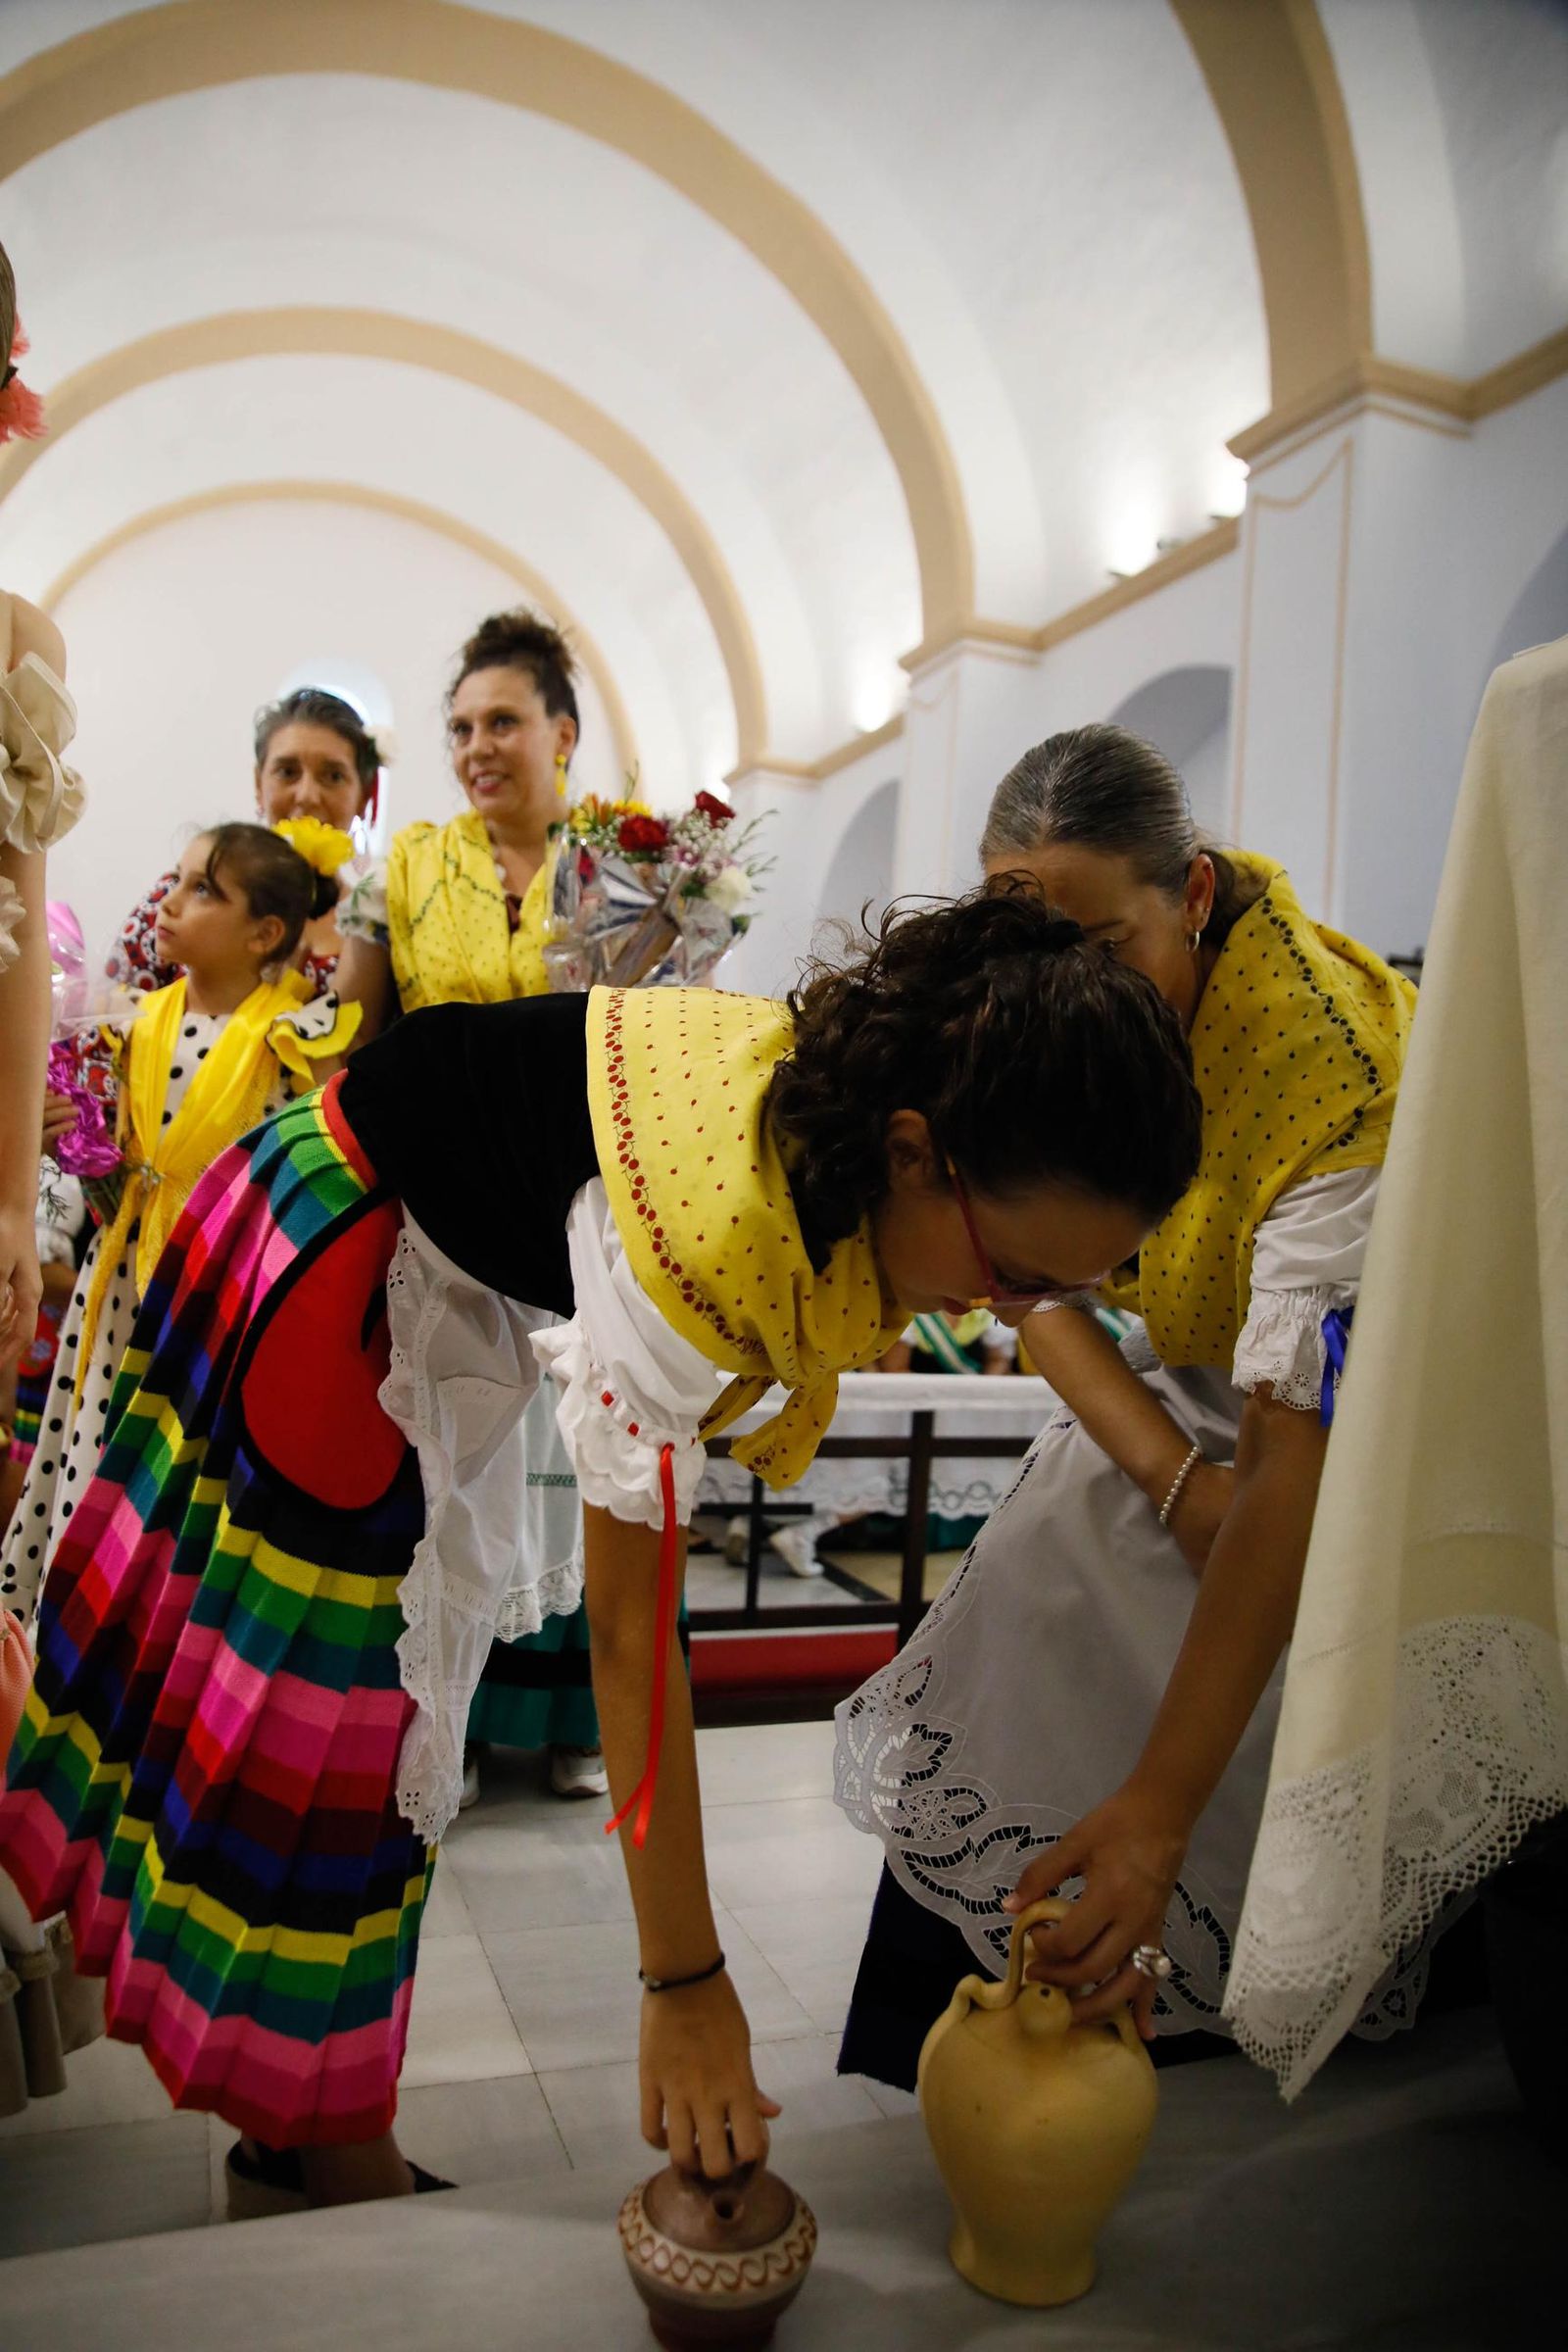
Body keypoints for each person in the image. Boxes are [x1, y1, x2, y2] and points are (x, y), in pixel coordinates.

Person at [0, 891, 1202, 2210]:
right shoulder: (726, 1223)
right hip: (333, 1250)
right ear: (914, 1153)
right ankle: (312, 2141)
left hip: (383, 1235)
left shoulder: (838, 1125)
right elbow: (633, 1639)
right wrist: (685, 1981)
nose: (1009, 1313)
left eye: (1061, 1294)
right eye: (1015, 1274)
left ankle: (306, 2127)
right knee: (326, 1734)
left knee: (356, 1741)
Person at [835, 724, 1420, 2089]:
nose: (1069, 991)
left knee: (1221, 1633)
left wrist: (1157, 1814)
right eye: (1035, 950)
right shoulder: (1026, 1004)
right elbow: (1022, 1279)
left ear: (1194, 894)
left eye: (1105, 949)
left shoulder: (1331, 1073)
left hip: (1360, 1420)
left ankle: (1189, 2012)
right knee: (1046, 1553)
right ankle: (975, 2011)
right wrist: (1171, 1477)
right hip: (1186, 1401)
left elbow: (1294, 1447)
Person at [338, 611, 603, 1805]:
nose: (476, 747)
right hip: (440, 1211)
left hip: (580, 1209)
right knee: (451, 1458)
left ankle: (570, 1720)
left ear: (562, 732)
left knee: (581, 1456)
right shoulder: (403, 865)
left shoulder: (629, 864)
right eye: (458, 729)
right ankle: (455, 1717)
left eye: (502, 721)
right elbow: (359, 1038)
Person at [0, 824, 359, 1624]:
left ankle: (158, 1640)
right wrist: (71, 1142)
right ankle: (70, 1634)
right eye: (178, 879)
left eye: (203, 890)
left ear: (264, 933)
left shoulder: (296, 1037)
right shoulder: (127, 1024)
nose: (169, 902)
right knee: (97, 1453)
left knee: (184, 1482)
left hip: (220, 1306)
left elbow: (317, 1180)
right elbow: (114, 1170)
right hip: (123, 1294)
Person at [109, 688, 382, 996]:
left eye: (333, 776)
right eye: (287, 772)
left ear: (363, 796)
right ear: (258, 783)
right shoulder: (178, 896)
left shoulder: (376, 927)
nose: (306, 795)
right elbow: (105, 1012)